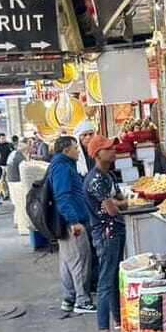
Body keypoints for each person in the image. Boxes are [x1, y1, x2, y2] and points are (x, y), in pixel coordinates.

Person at [85, 135, 128, 332]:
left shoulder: (108, 175)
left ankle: (119, 320)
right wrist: (115, 205)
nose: (114, 150)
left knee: (113, 278)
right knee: (105, 281)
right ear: (98, 153)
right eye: (109, 148)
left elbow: (120, 203)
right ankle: (102, 331)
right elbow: (112, 208)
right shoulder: (95, 180)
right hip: (106, 234)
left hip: (116, 230)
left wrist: (115, 205)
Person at [48, 136, 97, 315]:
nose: (78, 151)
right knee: (80, 261)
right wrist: (74, 221)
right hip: (72, 223)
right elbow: (62, 197)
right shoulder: (61, 167)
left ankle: (69, 298)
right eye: (75, 148)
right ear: (66, 150)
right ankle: (82, 301)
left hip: (68, 221)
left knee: (68, 262)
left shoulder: (63, 165)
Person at [74, 120, 99, 296]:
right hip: (84, 209)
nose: (88, 138)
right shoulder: (76, 159)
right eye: (84, 135)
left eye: (90, 134)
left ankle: (96, 281)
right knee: (88, 248)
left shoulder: (96, 153)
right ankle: (90, 283)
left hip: (97, 206)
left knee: (97, 246)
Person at [6, 143, 27, 226]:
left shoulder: (12, 154)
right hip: (17, 180)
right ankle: (19, 220)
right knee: (19, 201)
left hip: (11, 180)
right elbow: (24, 169)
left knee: (16, 201)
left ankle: (17, 220)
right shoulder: (19, 157)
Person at [0, 133, 13, 201]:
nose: (3, 139)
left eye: (4, 138)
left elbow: (13, 153)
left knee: (9, 179)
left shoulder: (9, 145)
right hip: (0, 166)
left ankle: (11, 194)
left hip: (8, 165)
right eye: (1, 138)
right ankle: (5, 194)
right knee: (2, 181)